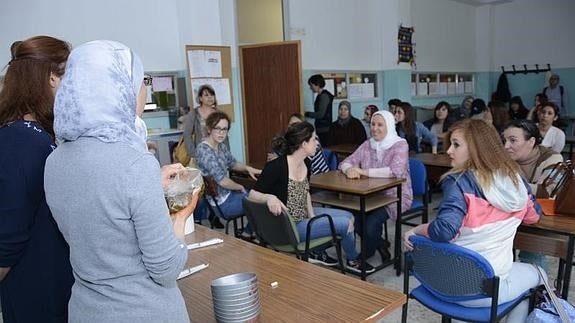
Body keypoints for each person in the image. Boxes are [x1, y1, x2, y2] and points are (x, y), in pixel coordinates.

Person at [44, 40, 198, 323]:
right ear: (119, 86)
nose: (145, 89)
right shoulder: (134, 163)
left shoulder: (54, 161)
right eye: (142, 81)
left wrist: (150, 182)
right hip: (142, 311)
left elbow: (102, 216)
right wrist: (179, 218)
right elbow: (166, 269)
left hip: (86, 310)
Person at [403, 119, 544, 323]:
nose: (449, 151)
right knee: (539, 275)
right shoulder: (516, 181)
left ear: (477, 149)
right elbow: (534, 217)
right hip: (482, 293)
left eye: (456, 145)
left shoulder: (459, 182)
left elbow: (445, 230)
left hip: (441, 282)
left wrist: (417, 229)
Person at [0, 35, 73, 323]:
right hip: (38, 296)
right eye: (69, 74)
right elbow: (7, 238)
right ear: (52, 79)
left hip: (54, 286)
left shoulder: (36, 136)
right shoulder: (21, 142)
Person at [249, 121, 375, 273]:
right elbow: (252, 194)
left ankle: (317, 251)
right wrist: (270, 198)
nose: (317, 143)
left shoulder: (307, 163)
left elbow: (305, 191)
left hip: (303, 217)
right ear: (303, 144)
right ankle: (353, 260)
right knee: (344, 224)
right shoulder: (277, 167)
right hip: (289, 226)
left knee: (349, 216)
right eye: (314, 139)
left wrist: (312, 216)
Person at [339, 111, 413, 259]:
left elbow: (395, 171)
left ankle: (367, 254)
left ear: (389, 126)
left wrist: (362, 171)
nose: (375, 128)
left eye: (380, 125)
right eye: (373, 124)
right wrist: (349, 170)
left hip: (396, 196)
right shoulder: (368, 144)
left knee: (371, 224)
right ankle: (380, 243)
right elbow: (345, 162)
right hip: (371, 194)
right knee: (352, 216)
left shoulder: (400, 144)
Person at [503, 119, 563, 270]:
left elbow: (545, 192)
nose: (506, 146)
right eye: (504, 140)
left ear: (531, 141)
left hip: (542, 217)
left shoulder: (552, 158)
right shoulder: (505, 158)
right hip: (511, 214)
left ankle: (538, 286)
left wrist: (509, 186)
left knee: (531, 250)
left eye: (513, 140)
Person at [196, 111, 261, 230]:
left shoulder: (220, 146)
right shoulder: (204, 150)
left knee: (258, 195)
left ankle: (250, 232)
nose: (222, 133)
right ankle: (249, 233)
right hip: (222, 204)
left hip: (228, 196)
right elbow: (222, 181)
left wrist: (248, 168)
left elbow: (233, 163)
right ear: (209, 129)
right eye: (218, 129)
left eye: (225, 129)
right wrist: (240, 187)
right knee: (261, 203)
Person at [181, 84, 227, 227]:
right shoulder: (194, 114)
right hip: (199, 156)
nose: (210, 97)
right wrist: (193, 153)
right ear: (200, 98)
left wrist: (226, 154)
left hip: (215, 155)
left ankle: (214, 216)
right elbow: (187, 134)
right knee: (199, 189)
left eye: (211, 94)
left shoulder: (218, 114)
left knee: (215, 186)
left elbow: (225, 136)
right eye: (206, 95)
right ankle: (198, 218)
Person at [304, 74, 333, 145]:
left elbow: (320, 114)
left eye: (311, 85)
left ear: (317, 84)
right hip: (321, 128)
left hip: (325, 129)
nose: (310, 87)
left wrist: (306, 114)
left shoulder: (324, 96)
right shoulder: (321, 95)